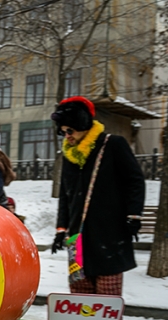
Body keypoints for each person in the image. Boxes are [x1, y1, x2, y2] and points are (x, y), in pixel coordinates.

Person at [49, 95, 145, 305]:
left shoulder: (113, 145)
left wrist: (134, 215)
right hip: (77, 239)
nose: (67, 136)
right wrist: (60, 230)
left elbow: (135, 181)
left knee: (106, 300)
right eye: (63, 131)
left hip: (109, 236)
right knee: (80, 297)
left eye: (70, 130)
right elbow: (66, 195)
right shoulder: (70, 155)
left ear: (82, 124)